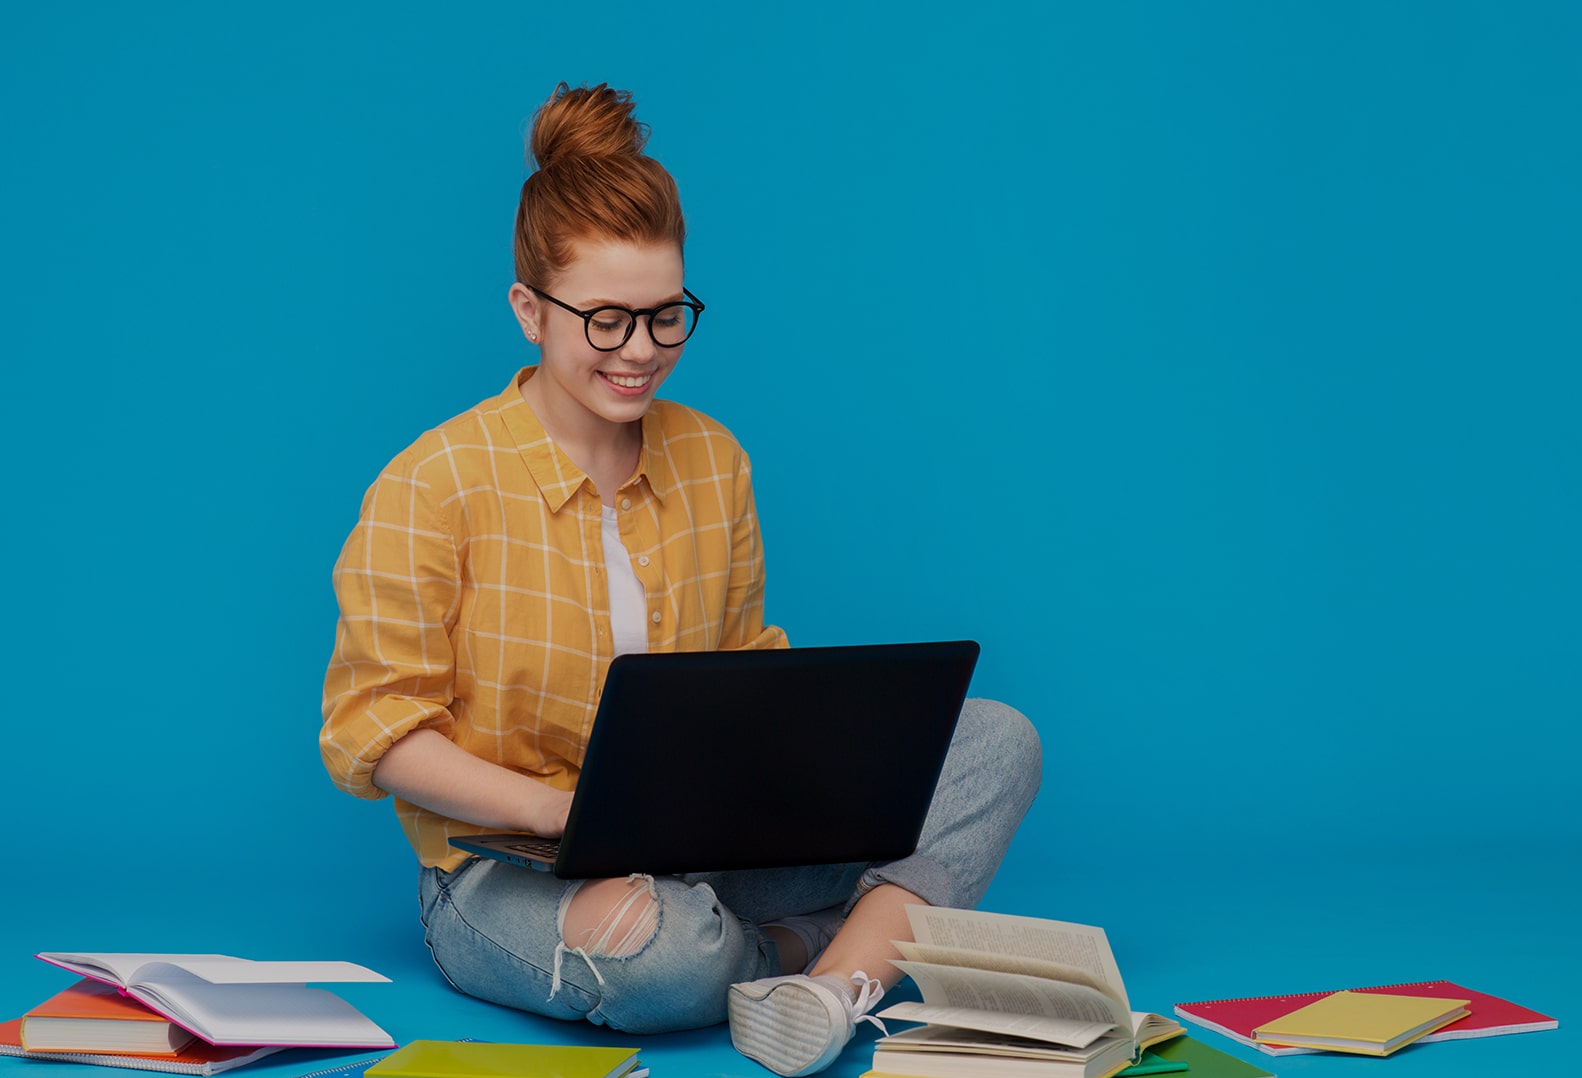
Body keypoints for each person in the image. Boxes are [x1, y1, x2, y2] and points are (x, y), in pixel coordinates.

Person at [319, 82, 1042, 1078]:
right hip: (504, 868)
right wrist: (561, 812)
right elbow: (377, 731)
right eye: (606, 321)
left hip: (709, 843)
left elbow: (744, 671)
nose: (642, 353)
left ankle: (828, 995)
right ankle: (817, 947)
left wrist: (822, 768)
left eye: (667, 317)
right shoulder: (431, 484)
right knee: (667, 960)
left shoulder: (714, 458)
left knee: (998, 740)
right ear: (529, 310)